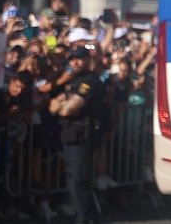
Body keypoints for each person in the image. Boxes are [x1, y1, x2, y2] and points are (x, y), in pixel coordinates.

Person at [47, 46, 107, 224]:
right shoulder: (74, 81)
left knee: (79, 181)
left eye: (79, 59)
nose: (75, 62)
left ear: (88, 60)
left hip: (82, 136)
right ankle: (88, 216)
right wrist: (64, 102)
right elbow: (52, 106)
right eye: (72, 59)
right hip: (71, 136)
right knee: (75, 179)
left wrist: (64, 103)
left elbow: (67, 110)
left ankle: (85, 218)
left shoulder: (90, 81)